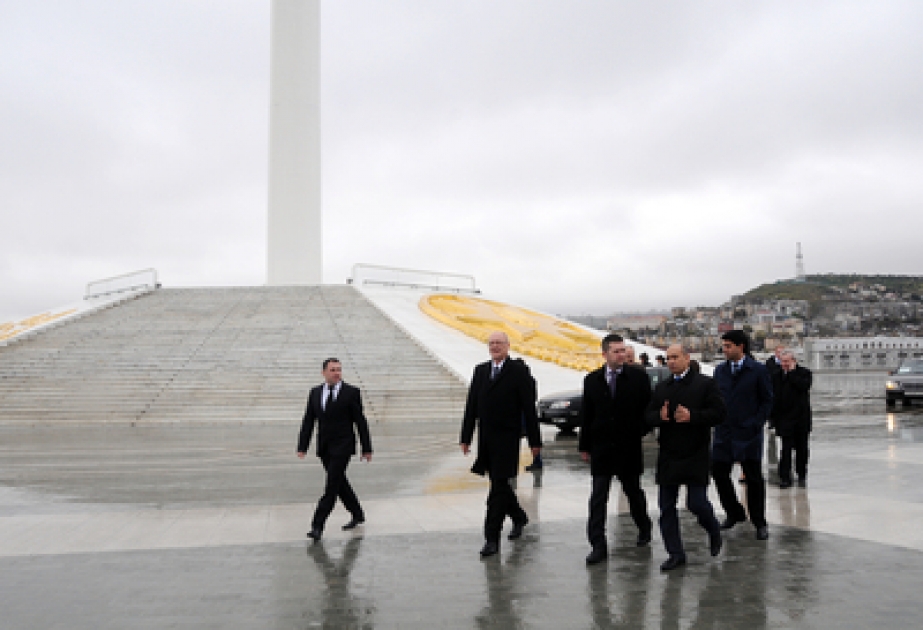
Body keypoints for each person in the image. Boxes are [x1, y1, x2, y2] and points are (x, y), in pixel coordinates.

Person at [461, 331, 542, 557]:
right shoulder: (481, 371)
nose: (495, 346)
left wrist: (535, 442)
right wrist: (465, 437)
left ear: (507, 346)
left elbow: (528, 408)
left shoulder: (518, 371)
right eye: (491, 343)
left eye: (499, 343)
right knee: (501, 484)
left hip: (508, 439)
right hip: (486, 439)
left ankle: (491, 538)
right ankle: (518, 516)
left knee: (497, 488)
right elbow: (471, 406)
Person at [646, 344, 726, 570]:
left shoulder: (705, 384)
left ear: (687, 358)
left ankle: (713, 529)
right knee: (666, 506)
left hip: (696, 452)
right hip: (669, 453)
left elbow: (720, 413)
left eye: (675, 357)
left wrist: (693, 416)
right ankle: (675, 553)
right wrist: (658, 417)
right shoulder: (662, 387)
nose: (671, 361)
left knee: (697, 503)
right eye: (667, 358)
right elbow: (648, 415)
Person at [579, 334, 654, 564]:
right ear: (605, 354)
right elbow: (586, 415)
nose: (622, 355)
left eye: (623, 351)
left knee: (633, 493)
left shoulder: (637, 378)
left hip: (628, 447)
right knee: (598, 497)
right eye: (617, 351)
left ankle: (644, 527)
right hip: (601, 448)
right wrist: (584, 445)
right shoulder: (592, 380)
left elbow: (648, 410)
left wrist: (637, 431)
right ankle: (598, 545)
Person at [297, 358, 373, 541]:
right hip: (324, 447)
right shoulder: (315, 393)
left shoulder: (351, 392)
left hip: (343, 446)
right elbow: (308, 420)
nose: (337, 373)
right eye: (332, 370)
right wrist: (302, 446)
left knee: (331, 486)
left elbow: (360, 421)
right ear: (324, 372)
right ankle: (357, 513)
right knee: (340, 482)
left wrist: (366, 447)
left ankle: (317, 526)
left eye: (339, 369)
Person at [711, 330, 773, 540]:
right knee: (719, 472)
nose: (724, 350)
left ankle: (759, 522)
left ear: (741, 347)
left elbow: (767, 400)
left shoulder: (757, 370)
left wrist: (756, 423)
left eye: (728, 346)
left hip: (748, 433)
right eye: (724, 346)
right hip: (724, 432)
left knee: (753, 479)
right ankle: (734, 512)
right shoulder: (720, 371)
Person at [770, 350, 813, 488]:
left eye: (787, 361)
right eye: (782, 361)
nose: (784, 364)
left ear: (794, 361)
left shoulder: (804, 373)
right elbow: (774, 398)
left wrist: (792, 373)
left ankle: (801, 474)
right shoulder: (776, 376)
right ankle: (785, 477)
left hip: (801, 419)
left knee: (802, 449)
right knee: (786, 449)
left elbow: (804, 386)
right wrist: (773, 419)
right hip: (784, 419)